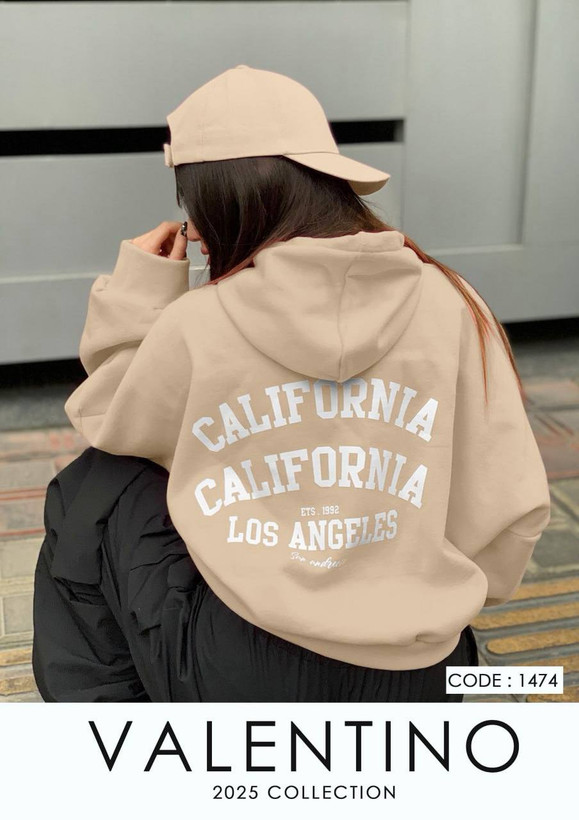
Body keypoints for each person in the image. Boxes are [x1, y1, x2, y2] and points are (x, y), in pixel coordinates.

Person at [32, 65, 550, 703]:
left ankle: (125, 743)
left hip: (239, 667)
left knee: (92, 485)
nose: (194, 231)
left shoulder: (202, 322)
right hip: (421, 674)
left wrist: (141, 288)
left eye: (193, 210)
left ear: (225, 204)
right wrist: (417, 588)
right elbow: (511, 510)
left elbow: (113, 420)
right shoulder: (453, 301)